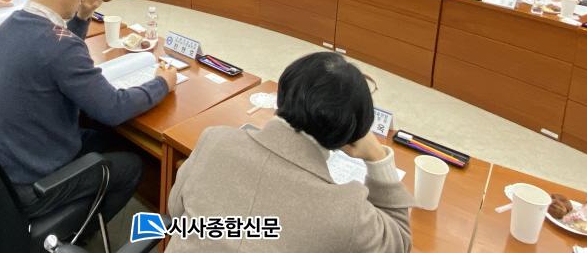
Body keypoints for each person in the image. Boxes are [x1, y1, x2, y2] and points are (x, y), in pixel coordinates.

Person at [0, 0, 177, 230]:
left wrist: (82, 16)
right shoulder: (59, 45)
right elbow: (112, 108)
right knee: (133, 164)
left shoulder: (11, 24)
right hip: (33, 182)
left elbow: (53, 51)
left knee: (105, 138)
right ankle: (75, 234)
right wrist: (162, 83)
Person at [167, 52, 413, 252]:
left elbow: (175, 209)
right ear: (349, 136)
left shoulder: (214, 141)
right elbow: (399, 241)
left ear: (282, 95)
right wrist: (377, 156)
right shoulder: (347, 210)